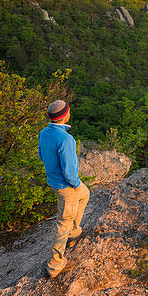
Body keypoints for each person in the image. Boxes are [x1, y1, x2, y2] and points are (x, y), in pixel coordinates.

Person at [38, 99, 90, 279]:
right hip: (66, 186)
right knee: (62, 225)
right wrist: (75, 184)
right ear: (65, 115)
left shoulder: (44, 133)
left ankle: (74, 232)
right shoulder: (66, 139)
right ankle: (55, 265)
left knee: (85, 194)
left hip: (54, 181)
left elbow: (41, 154)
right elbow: (68, 170)